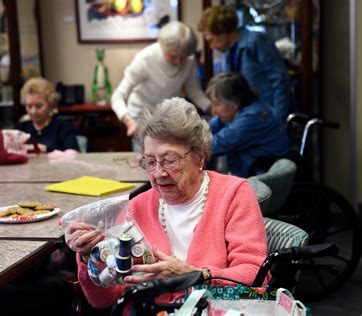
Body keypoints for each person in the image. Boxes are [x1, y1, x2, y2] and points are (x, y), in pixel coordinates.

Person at [65, 97, 268, 309]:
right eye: (150, 162)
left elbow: (256, 277)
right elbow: (104, 300)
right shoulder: (136, 208)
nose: (158, 173)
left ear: (200, 157)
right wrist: (91, 257)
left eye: (170, 160)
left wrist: (196, 276)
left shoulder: (233, 194)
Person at [111, 21, 210, 141]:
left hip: (170, 120)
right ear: (163, 46)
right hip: (142, 120)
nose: (178, 62)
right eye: (173, 56)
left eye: (182, 57)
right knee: (147, 158)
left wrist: (211, 108)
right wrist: (129, 122)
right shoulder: (145, 59)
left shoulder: (189, 59)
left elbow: (194, 91)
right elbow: (117, 96)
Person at [198, 5, 291, 122]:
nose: (211, 47)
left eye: (211, 40)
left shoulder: (256, 41)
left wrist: (278, 118)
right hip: (249, 117)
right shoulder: (228, 52)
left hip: (268, 115)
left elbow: (281, 81)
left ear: (223, 31)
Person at [207, 72, 290, 178]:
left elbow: (213, 145)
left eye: (217, 104)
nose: (213, 111)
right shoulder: (240, 110)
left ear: (235, 102)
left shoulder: (253, 118)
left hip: (265, 180)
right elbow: (208, 127)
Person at [18, 77, 80, 153]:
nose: (33, 111)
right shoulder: (21, 128)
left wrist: (46, 150)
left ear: (50, 104)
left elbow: (74, 156)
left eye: (39, 106)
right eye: (29, 106)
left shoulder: (64, 129)